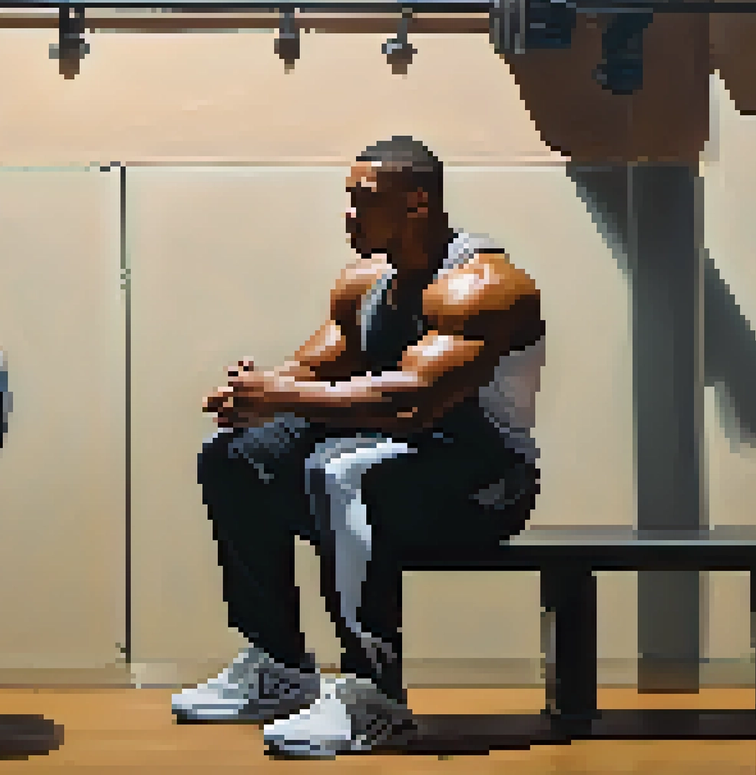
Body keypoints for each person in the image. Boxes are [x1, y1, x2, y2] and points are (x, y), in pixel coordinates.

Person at [175, 137, 547, 758]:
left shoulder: (482, 285)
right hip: (396, 467)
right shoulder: (366, 287)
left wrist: (280, 397)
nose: (349, 215)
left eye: (363, 200)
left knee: (340, 468)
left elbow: (413, 402)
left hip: (487, 487)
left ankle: (372, 697)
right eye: (348, 200)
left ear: (417, 203)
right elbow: (310, 373)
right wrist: (252, 395)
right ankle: (279, 666)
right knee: (237, 453)